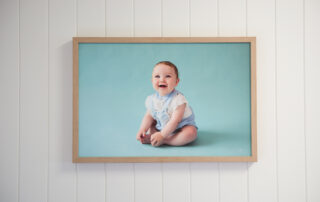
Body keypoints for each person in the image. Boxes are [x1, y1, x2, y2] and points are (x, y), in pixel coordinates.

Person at [136, 61, 197, 147]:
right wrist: (142, 129)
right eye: (157, 76)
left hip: (180, 127)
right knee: (152, 123)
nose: (162, 79)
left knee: (191, 133)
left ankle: (165, 140)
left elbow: (175, 121)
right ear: (152, 80)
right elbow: (148, 116)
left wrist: (162, 136)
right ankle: (155, 137)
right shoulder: (152, 99)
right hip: (162, 126)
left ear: (176, 82)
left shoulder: (179, 100)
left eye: (168, 76)